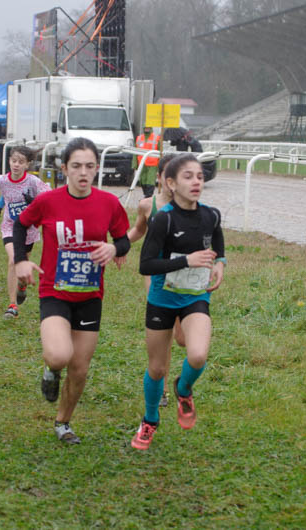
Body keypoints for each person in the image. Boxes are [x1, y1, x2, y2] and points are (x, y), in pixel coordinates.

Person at [14, 137, 130, 445]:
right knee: (59, 355)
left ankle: (63, 422)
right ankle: (51, 370)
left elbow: (123, 240)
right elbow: (20, 225)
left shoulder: (109, 203)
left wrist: (114, 248)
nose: (83, 172)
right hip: (54, 291)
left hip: (90, 295)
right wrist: (21, 260)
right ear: (64, 168)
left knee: (79, 369)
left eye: (90, 166)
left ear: (97, 168)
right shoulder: (48, 201)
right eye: (76, 166)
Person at [130, 153, 226, 450]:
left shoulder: (211, 215)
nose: (196, 181)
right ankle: (150, 420)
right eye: (188, 176)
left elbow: (218, 242)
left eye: (199, 176)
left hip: (195, 297)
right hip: (162, 299)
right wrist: (186, 260)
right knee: (157, 368)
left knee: (197, 355)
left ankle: (183, 389)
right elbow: (146, 265)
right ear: (171, 183)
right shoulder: (164, 219)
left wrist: (220, 263)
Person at [125, 153, 181, 407]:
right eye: (168, 175)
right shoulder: (148, 205)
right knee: (164, 333)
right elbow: (139, 230)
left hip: (183, 275)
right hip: (156, 273)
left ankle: (181, 380)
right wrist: (118, 245)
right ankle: (162, 389)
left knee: (182, 338)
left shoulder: (191, 207)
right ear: (159, 177)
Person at [0, 146, 51, 318]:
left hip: (28, 230)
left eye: (21, 162)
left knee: (23, 263)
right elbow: (5, 196)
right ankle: (12, 305)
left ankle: (22, 285)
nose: (16, 165)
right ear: (9, 161)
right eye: (14, 161)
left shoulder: (33, 182)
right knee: (13, 260)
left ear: (27, 164)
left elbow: (49, 198)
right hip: (10, 227)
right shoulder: (2, 180)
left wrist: (33, 201)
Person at [135, 126, 161, 198]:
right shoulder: (139, 138)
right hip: (142, 163)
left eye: (148, 128)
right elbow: (135, 152)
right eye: (146, 128)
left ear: (151, 129)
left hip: (153, 163)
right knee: (143, 180)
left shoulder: (156, 138)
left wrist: (160, 163)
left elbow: (160, 151)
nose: (147, 129)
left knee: (150, 180)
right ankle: (146, 195)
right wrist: (135, 163)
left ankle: (148, 195)